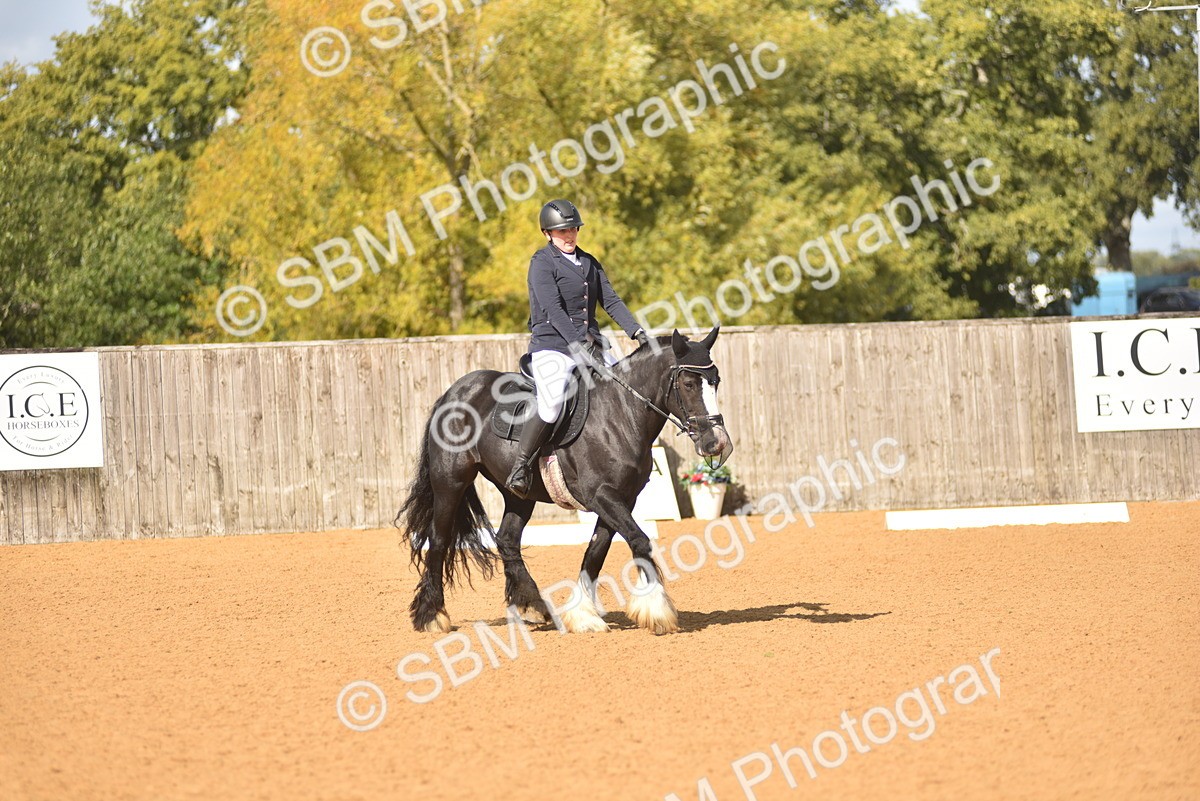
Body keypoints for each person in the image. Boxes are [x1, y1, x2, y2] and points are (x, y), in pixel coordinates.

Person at [505, 199, 650, 498]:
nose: (569, 235)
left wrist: (637, 331)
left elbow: (611, 301)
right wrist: (578, 343)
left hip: (590, 344)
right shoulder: (542, 263)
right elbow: (553, 309)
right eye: (562, 231)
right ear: (547, 233)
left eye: (573, 229)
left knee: (624, 388)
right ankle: (521, 466)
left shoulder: (589, 262)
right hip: (553, 346)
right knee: (552, 402)